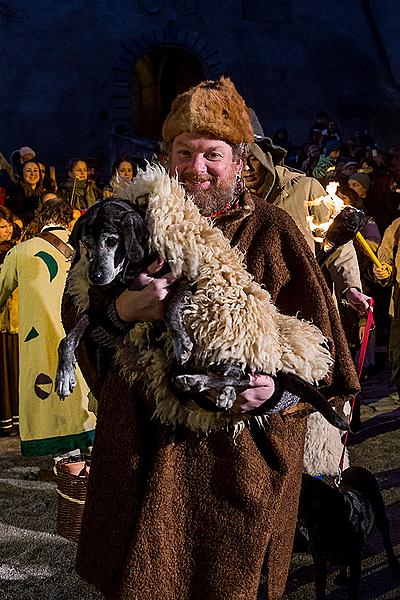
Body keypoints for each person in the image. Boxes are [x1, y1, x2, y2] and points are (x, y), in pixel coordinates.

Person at [61, 77, 359, 600]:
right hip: (140, 458)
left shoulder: (273, 233)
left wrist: (277, 393)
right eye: (185, 152)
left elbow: (328, 359)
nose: (197, 169)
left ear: (240, 159)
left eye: (212, 154)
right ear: (166, 155)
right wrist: (125, 310)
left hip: (235, 471)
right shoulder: (127, 223)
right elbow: (80, 324)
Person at [0, 199, 96, 456]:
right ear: (68, 221)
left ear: (41, 221)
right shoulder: (86, 247)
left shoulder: (22, 251)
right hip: (82, 335)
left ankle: (68, 460)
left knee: (49, 392)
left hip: (39, 338)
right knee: (84, 389)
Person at [374, 217, 400, 397]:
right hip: (399, 308)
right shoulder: (397, 227)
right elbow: (385, 263)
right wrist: (384, 272)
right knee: (399, 366)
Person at [0, 206, 20, 436]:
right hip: (2, 320)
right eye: (1, 227)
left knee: (13, 371)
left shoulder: (17, 251)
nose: (6, 231)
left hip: (15, 320)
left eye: (8, 226)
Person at [4, 159, 43, 225]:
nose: (32, 173)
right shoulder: (15, 194)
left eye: (35, 170)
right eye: (28, 171)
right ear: (22, 173)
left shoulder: (44, 192)